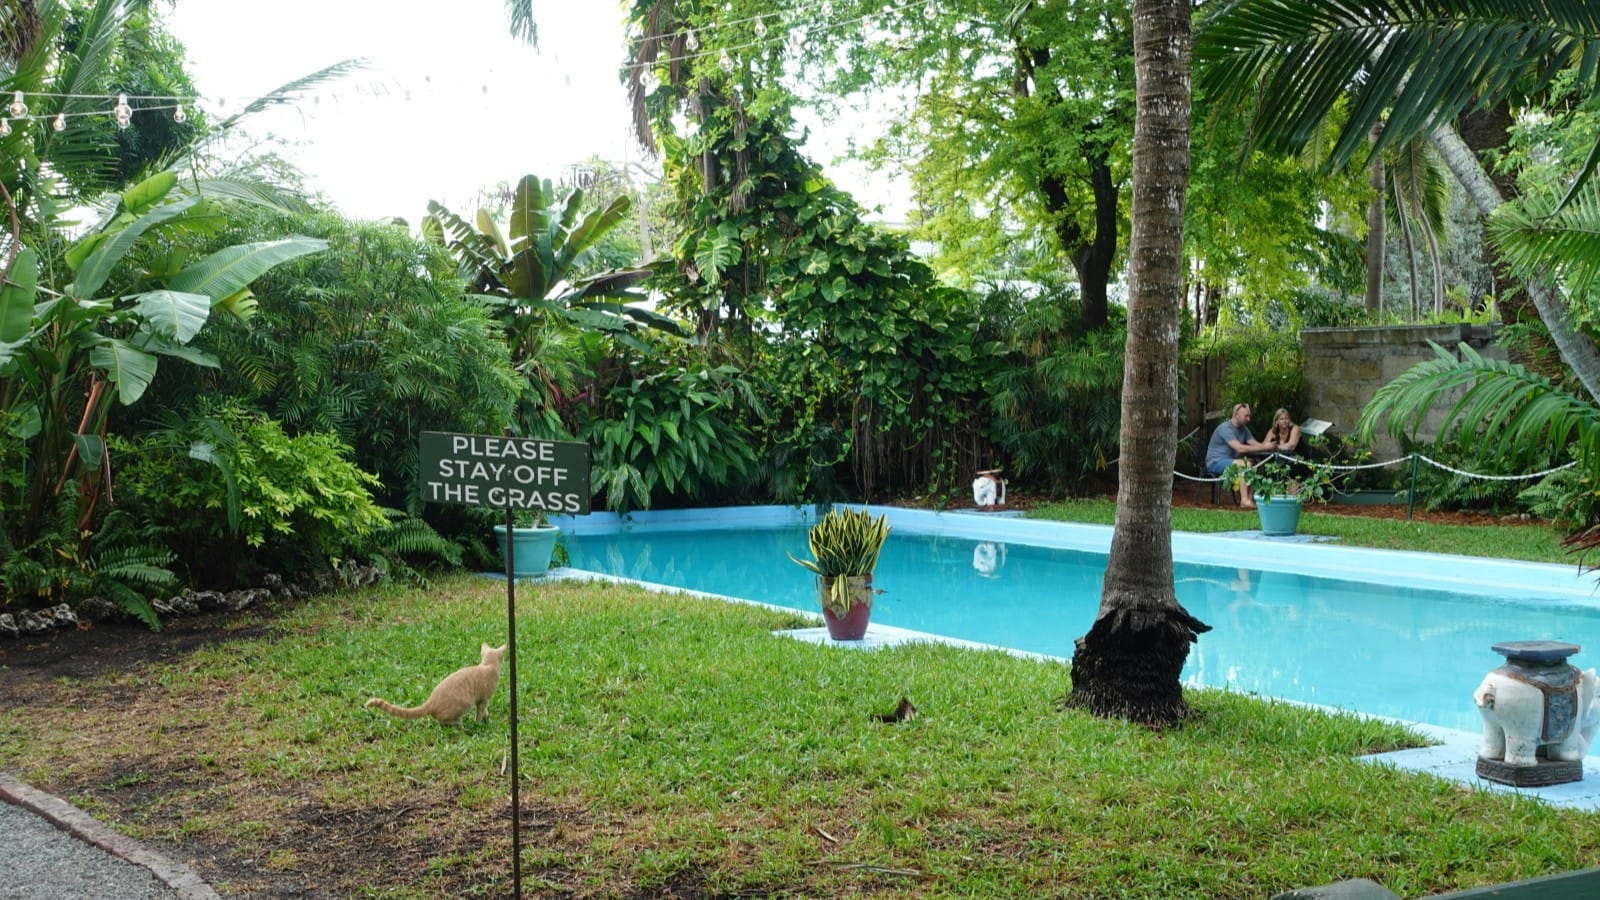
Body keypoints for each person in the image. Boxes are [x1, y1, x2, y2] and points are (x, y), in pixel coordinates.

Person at [1203, 403, 1279, 509]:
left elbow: (1256, 444)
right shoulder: (1225, 428)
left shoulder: (1244, 429)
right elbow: (1239, 448)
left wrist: (1270, 445)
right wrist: (1264, 447)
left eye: (1249, 416)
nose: (1249, 419)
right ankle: (1244, 500)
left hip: (1230, 461)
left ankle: (1249, 499)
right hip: (1215, 462)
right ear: (1236, 415)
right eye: (1246, 416)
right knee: (1245, 465)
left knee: (1258, 465)